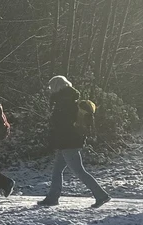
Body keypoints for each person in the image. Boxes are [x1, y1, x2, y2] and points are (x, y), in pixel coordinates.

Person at [37, 75, 110, 207]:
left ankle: (101, 195)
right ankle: (52, 198)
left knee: (79, 171)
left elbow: (63, 124)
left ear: (56, 87)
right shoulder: (69, 100)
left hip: (68, 142)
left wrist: (55, 134)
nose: (50, 90)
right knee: (57, 171)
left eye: (51, 87)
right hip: (67, 141)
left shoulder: (64, 102)